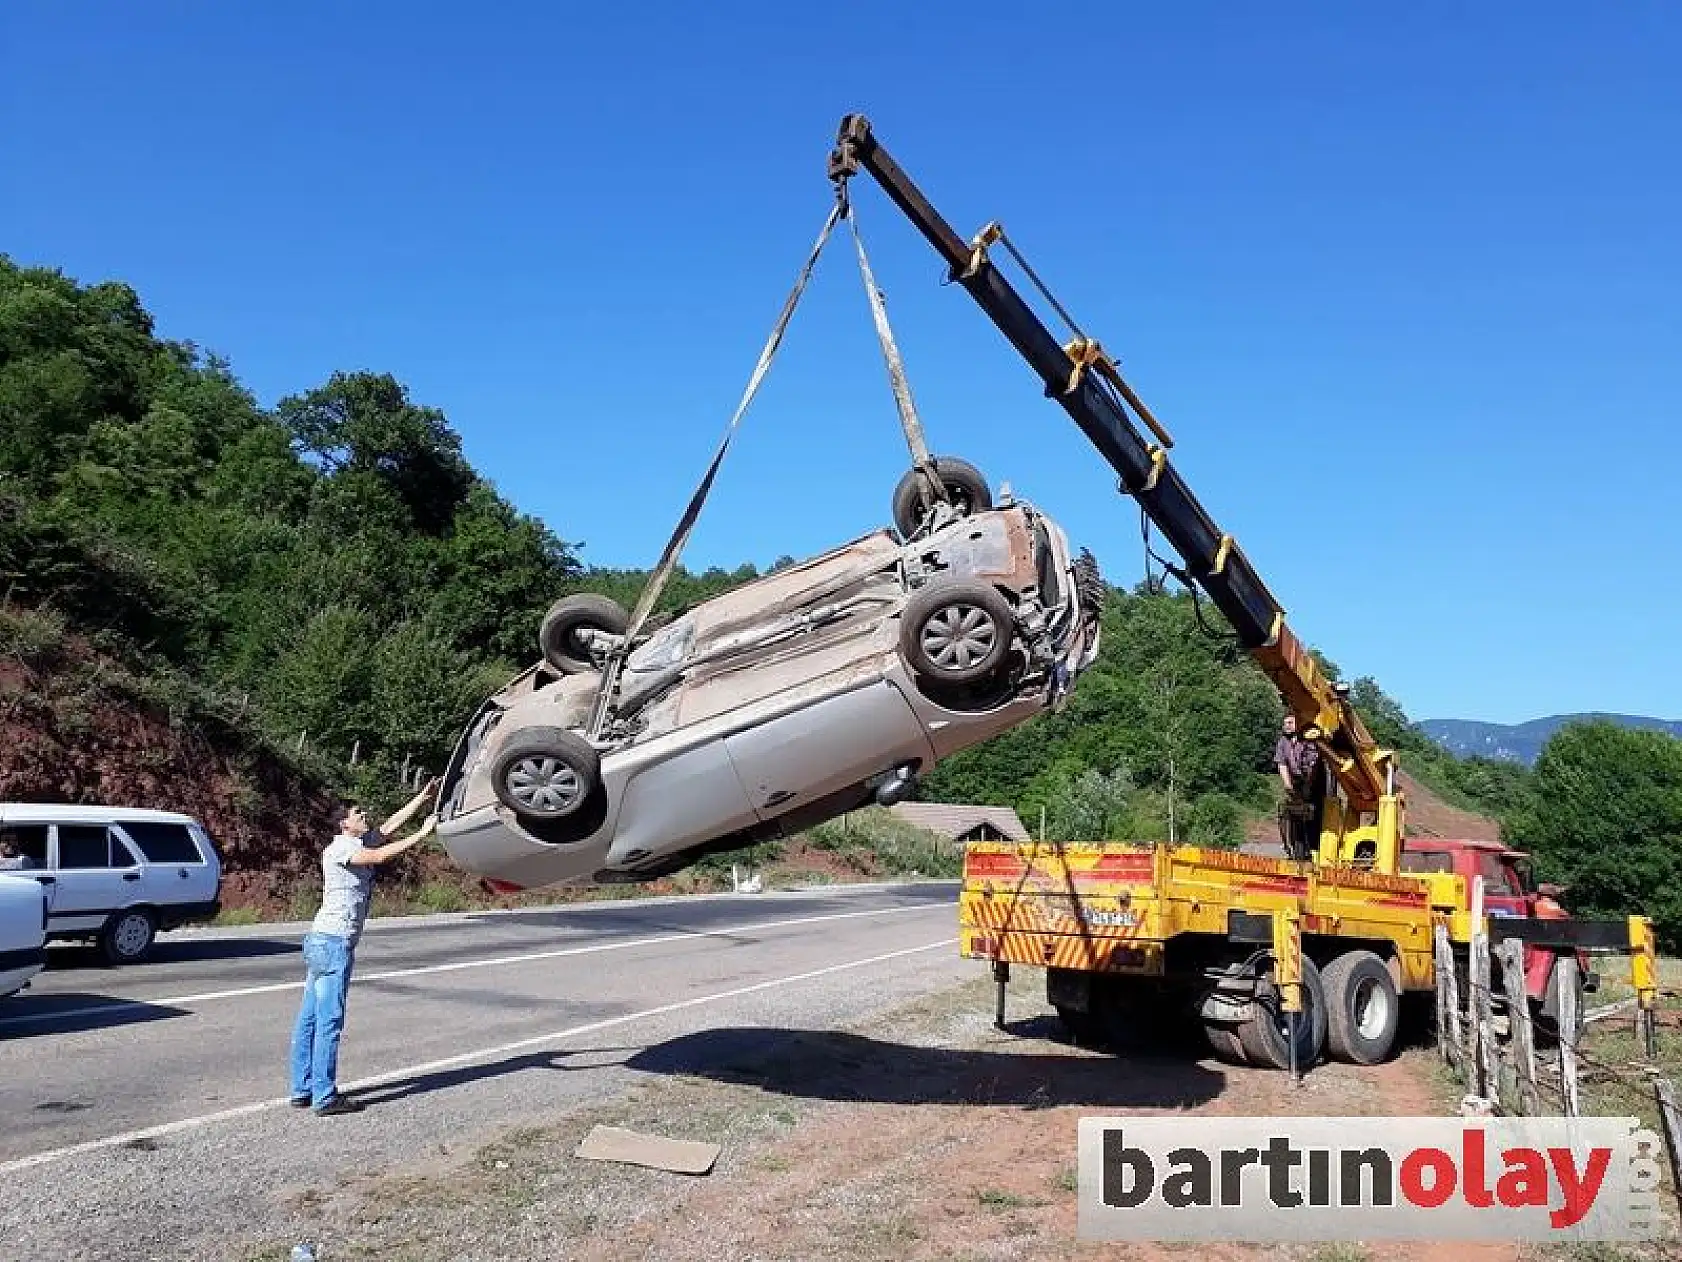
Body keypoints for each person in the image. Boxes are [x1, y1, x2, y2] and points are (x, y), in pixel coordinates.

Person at [289, 781, 439, 1115]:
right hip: (333, 942)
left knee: (310, 1018)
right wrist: (423, 834)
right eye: (359, 813)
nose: (365, 815)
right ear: (344, 823)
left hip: (322, 939)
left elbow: (388, 829)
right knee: (328, 1020)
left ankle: (302, 1088)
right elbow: (380, 855)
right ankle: (324, 1097)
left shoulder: (355, 840)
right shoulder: (341, 849)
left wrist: (421, 798)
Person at [1274, 714, 1325, 861]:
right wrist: (1288, 786)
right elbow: (1281, 764)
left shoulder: (1309, 741)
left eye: (1290, 722)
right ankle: (1296, 850)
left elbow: (1313, 767)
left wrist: (1308, 787)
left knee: (1313, 814)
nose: (1287, 725)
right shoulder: (1283, 742)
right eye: (1285, 723)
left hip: (1315, 782)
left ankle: (1314, 849)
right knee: (1293, 813)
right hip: (1296, 781)